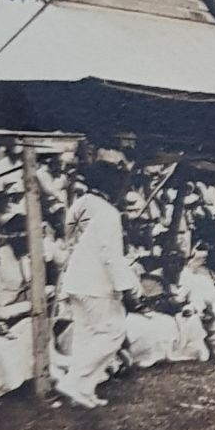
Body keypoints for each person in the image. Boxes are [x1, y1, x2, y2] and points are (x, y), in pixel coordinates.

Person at [54, 160, 140, 409]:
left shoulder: (79, 205)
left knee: (86, 336)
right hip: (96, 282)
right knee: (113, 332)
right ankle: (74, 383)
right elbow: (109, 255)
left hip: (76, 279)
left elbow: (69, 238)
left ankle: (84, 389)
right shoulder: (108, 213)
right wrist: (125, 288)